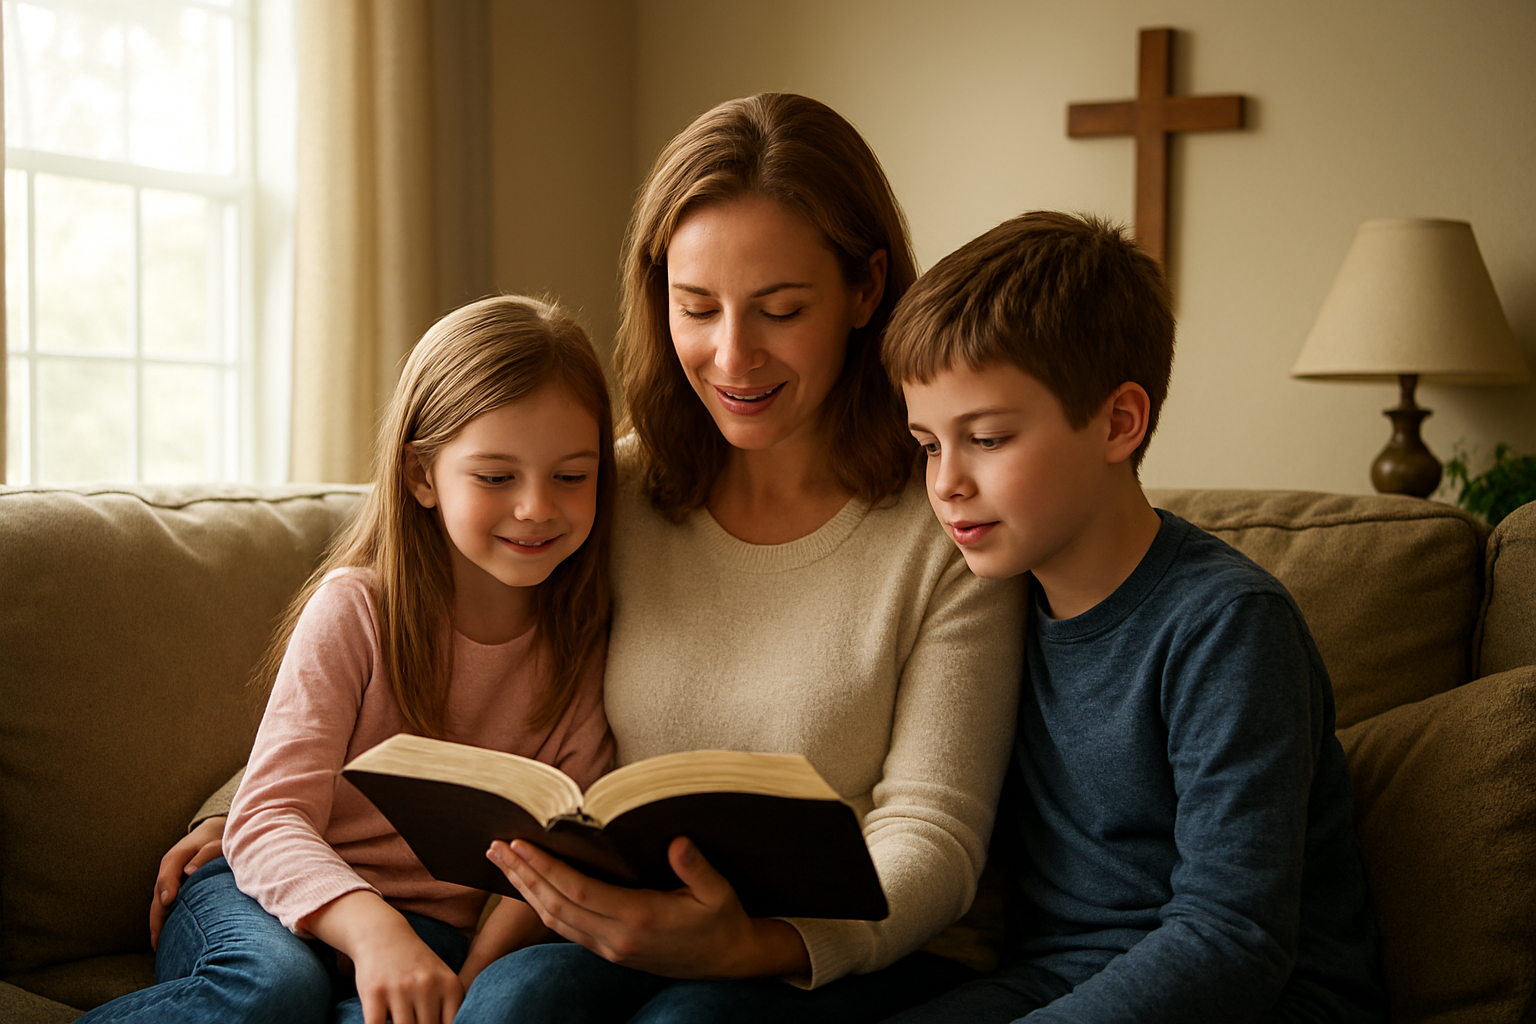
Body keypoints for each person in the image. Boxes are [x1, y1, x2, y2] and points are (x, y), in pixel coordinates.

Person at [158, 94, 1025, 1024]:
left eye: (781, 309)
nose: (733, 355)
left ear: (865, 290)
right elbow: (415, 618)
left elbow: (933, 831)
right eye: (697, 308)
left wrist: (754, 945)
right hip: (612, 924)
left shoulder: (950, 523)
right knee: (513, 1006)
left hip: (836, 946)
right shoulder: (603, 490)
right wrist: (238, 813)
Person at [879, 211, 1387, 1022]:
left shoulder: (1227, 626)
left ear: (1120, 422)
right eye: (930, 445)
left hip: (1261, 998)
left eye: (988, 438)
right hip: (1056, 979)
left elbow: (1234, 938)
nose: (946, 484)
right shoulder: (989, 607)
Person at [91, 295, 618, 1024]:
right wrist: (375, 933)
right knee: (275, 991)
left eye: (571, 476)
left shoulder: (585, 646)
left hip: (435, 933)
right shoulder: (357, 610)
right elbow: (268, 817)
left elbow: (546, 857)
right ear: (421, 476)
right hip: (267, 894)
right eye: (497, 477)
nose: (536, 507)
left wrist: (467, 984)